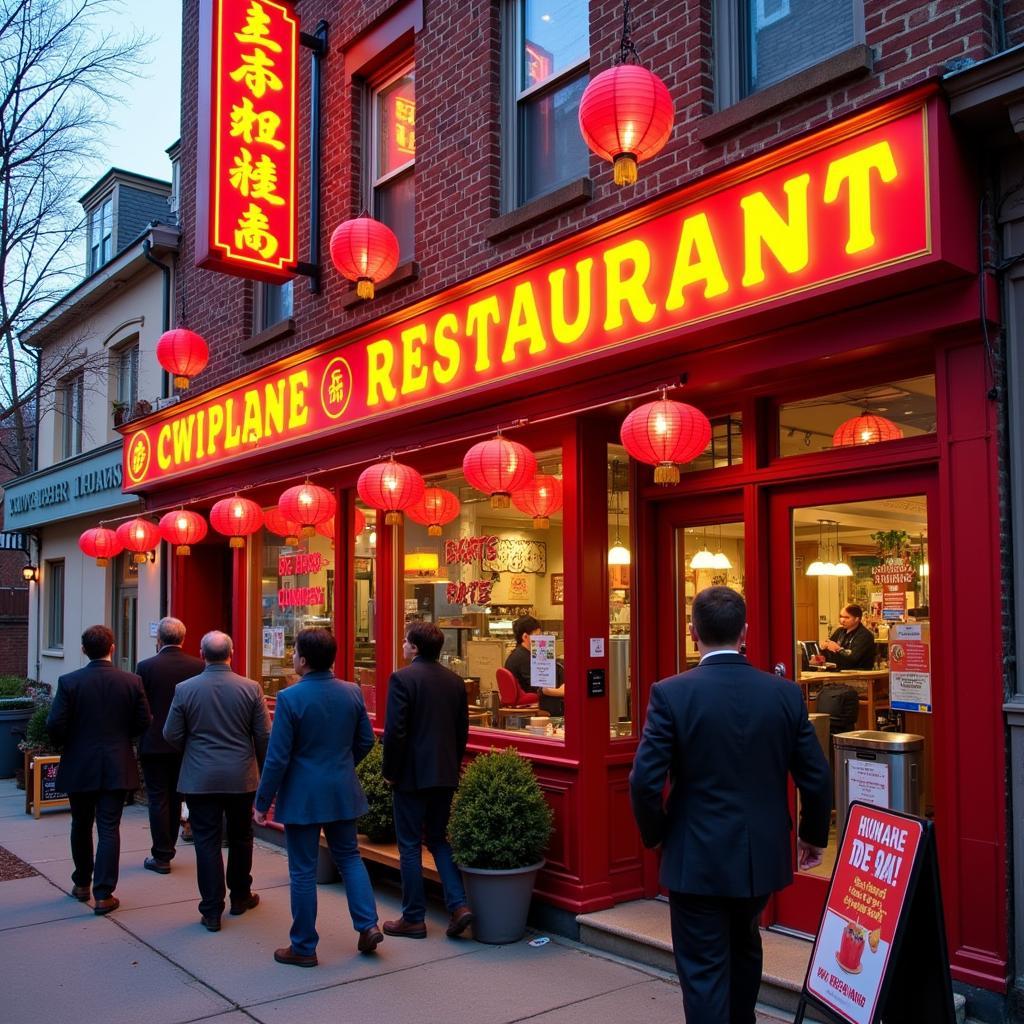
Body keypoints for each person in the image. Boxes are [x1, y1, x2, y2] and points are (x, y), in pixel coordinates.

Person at [629, 587, 831, 1024]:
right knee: (744, 948)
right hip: (759, 855)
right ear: (745, 633)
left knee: (703, 969)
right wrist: (814, 836)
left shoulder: (671, 693)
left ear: (692, 632)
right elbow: (816, 776)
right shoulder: (784, 694)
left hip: (695, 854)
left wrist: (658, 835)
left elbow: (644, 781)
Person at [254, 628, 383, 966]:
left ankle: (303, 945)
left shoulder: (290, 698)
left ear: (304, 660)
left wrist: (261, 801)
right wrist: (343, 764)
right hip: (341, 788)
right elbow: (367, 740)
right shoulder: (352, 692)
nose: (292, 658)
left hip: (302, 794)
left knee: (302, 871)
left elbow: (277, 756)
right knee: (350, 858)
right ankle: (368, 925)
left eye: (294, 652)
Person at [163, 630, 270, 932]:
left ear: (201, 653)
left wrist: (192, 750)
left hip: (200, 777)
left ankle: (211, 909)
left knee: (206, 842)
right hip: (240, 776)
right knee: (241, 836)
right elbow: (264, 734)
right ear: (232, 654)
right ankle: (239, 896)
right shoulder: (251, 688)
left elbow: (171, 733)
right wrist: (263, 770)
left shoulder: (185, 689)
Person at [46, 625, 151, 915]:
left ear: (83, 650)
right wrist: (121, 737)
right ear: (113, 648)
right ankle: (104, 893)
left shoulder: (70, 682)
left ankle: (82, 883)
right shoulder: (131, 682)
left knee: (80, 824)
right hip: (116, 761)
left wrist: (72, 741)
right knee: (109, 827)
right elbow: (144, 721)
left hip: (80, 762)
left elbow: (55, 724)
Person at [381, 621, 473, 940]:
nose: (403, 646)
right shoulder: (455, 682)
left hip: (410, 776)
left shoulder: (402, 679)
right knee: (438, 840)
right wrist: (453, 763)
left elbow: (396, 733)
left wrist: (390, 771)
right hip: (444, 773)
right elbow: (462, 732)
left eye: (406, 641)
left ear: (416, 647)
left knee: (408, 844)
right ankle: (459, 906)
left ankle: (413, 917)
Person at [136, 616, 204, 875]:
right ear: (183, 639)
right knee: (177, 796)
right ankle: (170, 847)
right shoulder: (197, 666)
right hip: (185, 743)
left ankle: (161, 854)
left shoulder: (146, 667)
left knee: (157, 798)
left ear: (159, 639)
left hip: (154, 742)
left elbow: (140, 707)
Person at [505, 614, 565, 716]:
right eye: (537, 636)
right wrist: (563, 692)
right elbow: (542, 689)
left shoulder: (519, 654)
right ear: (525, 637)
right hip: (533, 704)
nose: (540, 639)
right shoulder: (523, 658)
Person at [822, 604, 876, 670]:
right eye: (841, 616)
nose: (842, 620)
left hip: (859, 674)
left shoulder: (864, 635)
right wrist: (823, 650)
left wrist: (838, 649)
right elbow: (829, 646)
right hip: (840, 671)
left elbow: (853, 659)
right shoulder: (840, 631)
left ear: (857, 619)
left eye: (846, 617)